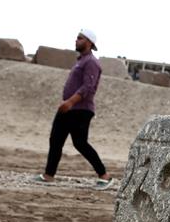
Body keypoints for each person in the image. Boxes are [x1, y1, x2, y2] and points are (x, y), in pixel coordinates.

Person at [36, 29, 113, 190]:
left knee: (80, 143)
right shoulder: (81, 61)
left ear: (89, 42)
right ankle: (49, 175)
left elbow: (88, 87)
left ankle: (104, 176)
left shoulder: (91, 62)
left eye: (80, 38)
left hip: (81, 109)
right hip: (69, 107)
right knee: (56, 139)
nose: (76, 40)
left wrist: (71, 102)